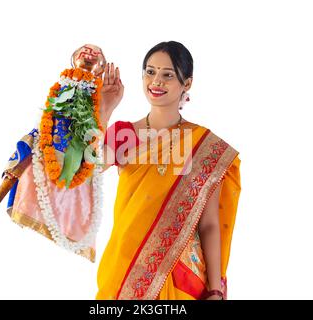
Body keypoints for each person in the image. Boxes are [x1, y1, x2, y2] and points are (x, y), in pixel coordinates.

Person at [95, 41, 241, 300]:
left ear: (187, 83)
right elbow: (86, 171)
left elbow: (209, 225)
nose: (156, 82)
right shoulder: (123, 134)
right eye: (150, 72)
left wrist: (216, 290)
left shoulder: (204, 145)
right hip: (125, 270)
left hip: (182, 276)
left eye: (167, 75)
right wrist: (105, 108)